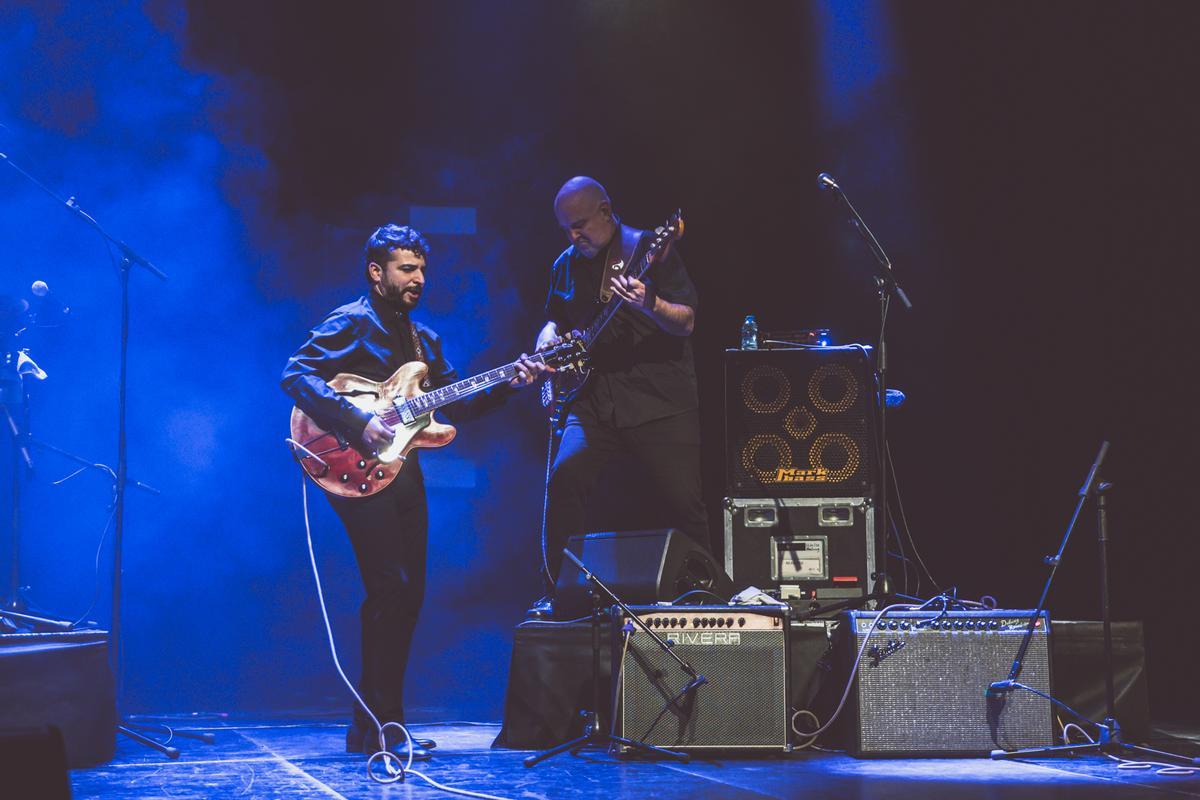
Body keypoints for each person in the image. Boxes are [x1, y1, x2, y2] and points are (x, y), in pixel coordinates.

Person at [281, 224, 545, 760]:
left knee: (409, 593)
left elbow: (457, 403)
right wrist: (358, 421)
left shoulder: (426, 339)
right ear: (377, 273)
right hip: (352, 466)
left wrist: (510, 383)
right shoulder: (351, 321)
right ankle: (385, 723)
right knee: (389, 586)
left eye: (422, 269)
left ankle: (372, 725)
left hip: (403, 469)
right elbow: (296, 373)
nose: (418, 278)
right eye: (407, 269)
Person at [533, 177, 710, 614]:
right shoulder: (565, 265)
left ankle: (707, 594)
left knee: (684, 503)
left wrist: (650, 302)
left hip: (657, 401)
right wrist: (545, 339)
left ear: (606, 211)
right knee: (564, 481)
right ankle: (561, 593)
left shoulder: (649, 248)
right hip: (591, 400)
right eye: (566, 229)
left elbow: (686, 321)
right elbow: (553, 319)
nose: (574, 236)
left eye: (580, 225)